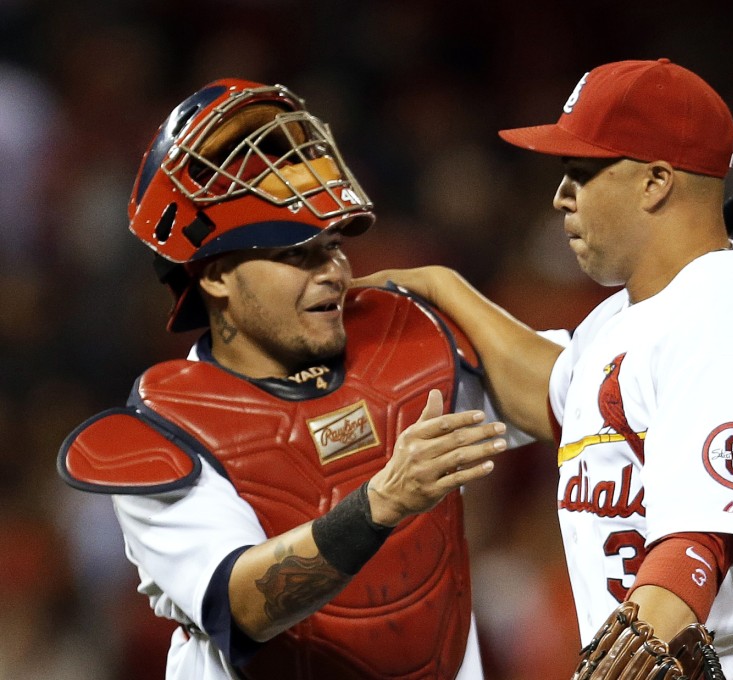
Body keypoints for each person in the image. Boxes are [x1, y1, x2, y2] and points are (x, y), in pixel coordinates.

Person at [356, 59, 733, 679]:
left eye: (580, 172)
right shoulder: (631, 316)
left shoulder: (723, 319)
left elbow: (695, 550)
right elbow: (556, 397)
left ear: (654, 182)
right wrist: (447, 288)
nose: (560, 196)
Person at [56, 78, 520, 680]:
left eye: (334, 245)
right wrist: (382, 503)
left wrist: (448, 288)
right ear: (217, 277)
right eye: (299, 253)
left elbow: (584, 397)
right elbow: (244, 607)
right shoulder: (164, 433)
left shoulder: (408, 352)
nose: (335, 271)